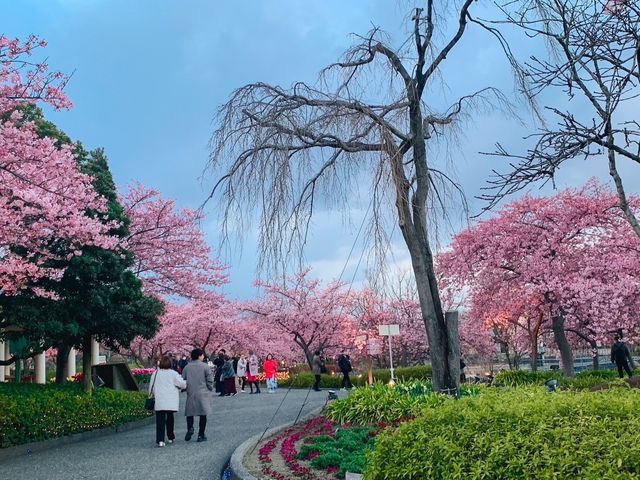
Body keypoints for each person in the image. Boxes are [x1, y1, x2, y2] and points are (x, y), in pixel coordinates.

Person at [149, 356, 187, 447]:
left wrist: (150, 396)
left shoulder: (155, 373)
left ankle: (160, 440)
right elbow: (182, 384)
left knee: (160, 420)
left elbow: (151, 386)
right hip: (170, 400)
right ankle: (170, 437)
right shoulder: (173, 373)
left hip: (159, 400)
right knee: (170, 418)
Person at [181, 348, 214, 442]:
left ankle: (190, 428)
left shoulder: (187, 367)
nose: (203, 356)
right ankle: (201, 435)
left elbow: (183, 380)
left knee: (190, 413)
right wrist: (210, 387)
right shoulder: (205, 366)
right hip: (203, 393)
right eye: (202, 355)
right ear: (199, 356)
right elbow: (210, 379)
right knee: (203, 414)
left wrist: (184, 388)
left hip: (191, 393)